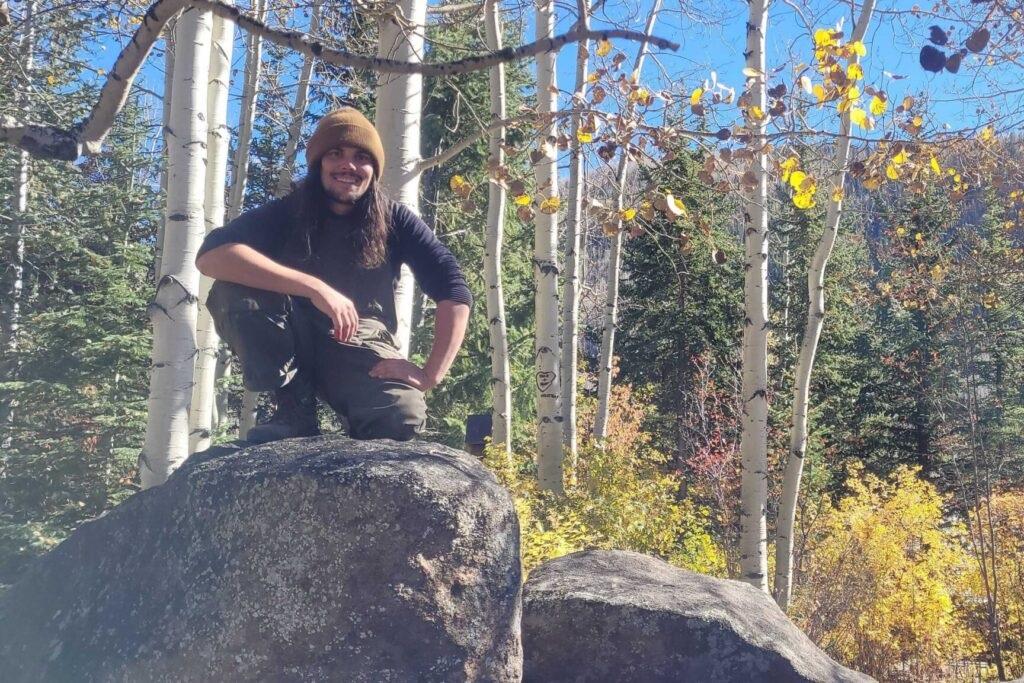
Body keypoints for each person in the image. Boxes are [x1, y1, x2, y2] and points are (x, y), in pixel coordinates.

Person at [196, 107, 472, 444]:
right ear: (318, 163)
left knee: (402, 418)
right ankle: (293, 408)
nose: (349, 166)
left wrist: (430, 374)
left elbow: (454, 290)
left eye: (361, 157)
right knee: (234, 291)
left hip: (360, 339)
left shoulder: (396, 219)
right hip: (291, 327)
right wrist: (313, 287)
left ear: (374, 169)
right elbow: (211, 256)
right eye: (336, 153)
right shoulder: (287, 212)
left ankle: (358, 440)